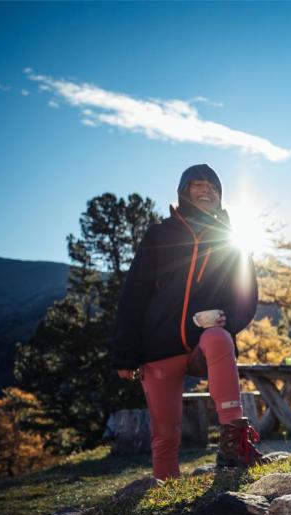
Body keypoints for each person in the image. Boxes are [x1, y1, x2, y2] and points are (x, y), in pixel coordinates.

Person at [110, 164, 265, 479]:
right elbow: (134, 293)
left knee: (220, 338)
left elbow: (246, 291)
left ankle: (234, 444)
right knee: (164, 435)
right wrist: (125, 352)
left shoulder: (231, 239)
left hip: (201, 344)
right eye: (198, 185)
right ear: (184, 192)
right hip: (158, 348)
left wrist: (228, 319)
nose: (207, 190)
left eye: (213, 187)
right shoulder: (160, 234)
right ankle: (167, 496)